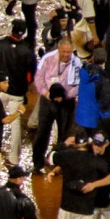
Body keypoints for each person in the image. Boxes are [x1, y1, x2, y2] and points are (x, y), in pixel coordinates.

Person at [0, 19, 36, 165]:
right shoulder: (28, 51)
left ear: (12, 29)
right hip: (17, 94)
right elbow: (32, 75)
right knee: (15, 126)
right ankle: (14, 160)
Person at [32, 38, 80, 174]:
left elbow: (78, 86)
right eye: (64, 51)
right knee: (42, 132)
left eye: (69, 52)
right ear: (59, 50)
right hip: (48, 100)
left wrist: (64, 95)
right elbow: (38, 78)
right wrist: (47, 94)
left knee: (65, 134)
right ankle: (37, 163)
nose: (66, 54)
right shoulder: (47, 59)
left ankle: (60, 164)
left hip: (66, 103)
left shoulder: (77, 63)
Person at [74, 48, 110, 130]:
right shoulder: (103, 78)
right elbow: (104, 101)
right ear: (105, 59)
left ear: (93, 58)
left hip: (80, 118)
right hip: (94, 121)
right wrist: (107, 119)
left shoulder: (83, 72)